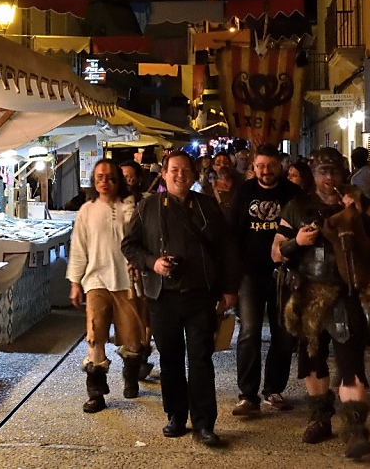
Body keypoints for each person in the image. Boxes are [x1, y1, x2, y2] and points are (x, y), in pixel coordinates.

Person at [271, 147, 370, 459]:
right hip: (307, 292)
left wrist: (360, 211)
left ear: (343, 173)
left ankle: (355, 431)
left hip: (346, 294)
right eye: (323, 172)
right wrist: (295, 242)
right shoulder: (297, 206)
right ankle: (320, 418)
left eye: (334, 172)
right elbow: (275, 252)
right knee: (312, 362)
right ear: (314, 175)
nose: (328, 178)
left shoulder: (357, 204)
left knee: (351, 367)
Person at [121, 151, 242, 447]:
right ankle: (176, 415)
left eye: (185, 170)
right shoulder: (147, 206)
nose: (180, 175)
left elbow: (226, 248)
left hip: (200, 294)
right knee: (170, 357)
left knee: (201, 358)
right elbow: (129, 245)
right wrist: (152, 263)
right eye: (174, 170)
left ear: (193, 174)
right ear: (163, 173)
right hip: (163, 297)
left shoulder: (206, 206)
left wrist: (229, 289)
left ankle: (205, 423)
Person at [229, 144, 301, 417]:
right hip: (250, 273)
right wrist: (232, 273)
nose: (265, 170)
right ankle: (247, 395)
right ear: (253, 167)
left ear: (280, 167)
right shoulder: (245, 192)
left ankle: (273, 388)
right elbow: (232, 232)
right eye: (260, 166)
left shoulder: (293, 194)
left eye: (270, 165)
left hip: (285, 274)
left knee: (284, 333)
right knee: (249, 333)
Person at [67, 160, 143, 413]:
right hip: (96, 280)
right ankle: (96, 393)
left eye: (110, 177)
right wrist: (75, 283)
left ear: (118, 180)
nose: (104, 182)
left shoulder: (130, 207)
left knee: (133, 339)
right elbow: (78, 248)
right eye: (99, 177)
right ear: (94, 181)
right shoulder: (86, 210)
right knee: (94, 335)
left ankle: (131, 376)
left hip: (127, 281)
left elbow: (141, 240)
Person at [120, 158, 157, 380]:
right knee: (130, 316)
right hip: (121, 268)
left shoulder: (148, 202)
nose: (127, 180)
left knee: (146, 314)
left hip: (145, 266)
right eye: (123, 177)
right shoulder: (113, 205)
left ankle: (141, 355)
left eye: (130, 176)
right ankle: (133, 359)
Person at [202, 151, 239, 218]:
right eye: (218, 164)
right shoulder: (207, 190)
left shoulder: (240, 186)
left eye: (226, 163)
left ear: (230, 165)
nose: (223, 166)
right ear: (214, 167)